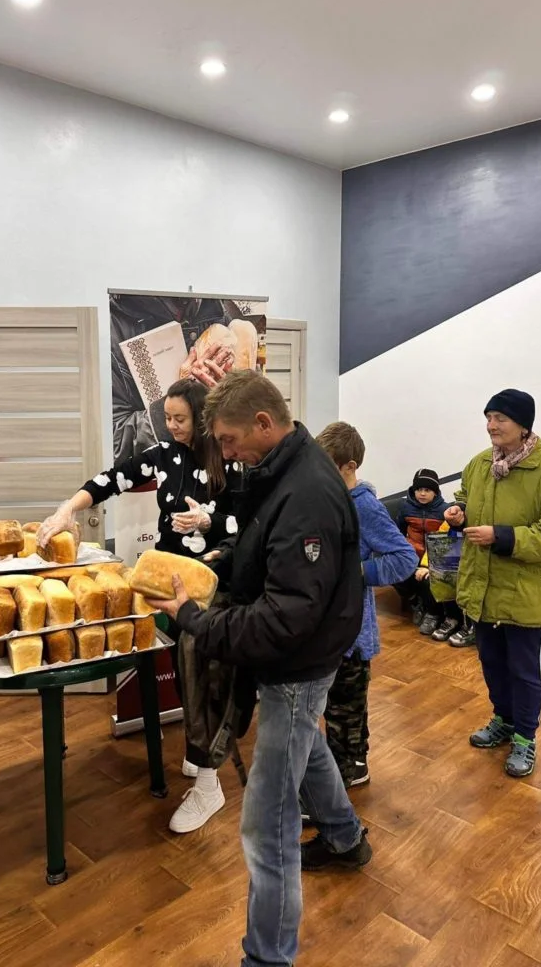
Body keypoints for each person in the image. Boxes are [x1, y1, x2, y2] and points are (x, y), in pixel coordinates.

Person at [150, 371, 371, 967]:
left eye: (225, 440)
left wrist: (197, 621)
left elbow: (283, 620)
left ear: (264, 425)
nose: (222, 453)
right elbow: (267, 551)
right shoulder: (280, 471)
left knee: (266, 825)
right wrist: (228, 558)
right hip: (302, 659)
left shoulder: (306, 494)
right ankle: (346, 838)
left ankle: (267, 958)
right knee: (306, 745)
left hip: (298, 665)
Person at [38, 377, 243, 832]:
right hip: (168, 579)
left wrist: (211, 520)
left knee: (202, 674)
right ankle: (199, 755)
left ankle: (209, 783)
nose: (171, 427)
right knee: (184, 668)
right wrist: (68, 509)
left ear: (202, 417)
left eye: (180, 419)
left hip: (212, 583)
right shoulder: (165, 455)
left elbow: (249, 521)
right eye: (166, 418)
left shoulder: (230, 458)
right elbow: (113, 479)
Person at [444, 389, 541, 778]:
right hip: (485, 590)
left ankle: (525, 739)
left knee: (524, 670)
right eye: (488, 417)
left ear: (523, 426)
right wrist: (458, 512)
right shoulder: (480, 464)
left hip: (527, 595)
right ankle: (503, 720)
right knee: (492, 663)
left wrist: (501, 537)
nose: (491, 425)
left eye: (500, 418)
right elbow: (468, 499)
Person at [315, 422, 417, 787]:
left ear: (350, 466)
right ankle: (349, 765)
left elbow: (404, 559)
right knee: (338, 708)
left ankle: (347, 775)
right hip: (331, 630)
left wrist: (356, 572)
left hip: (354, 635)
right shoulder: (330, 499)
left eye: (329, 466)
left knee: (346, 710)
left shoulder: (366, 508)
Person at [109, 293, 255, 463]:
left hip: (215, 473)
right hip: (158, 480)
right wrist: (182, 402)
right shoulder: (111, 325)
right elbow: (114, 446)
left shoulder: (221, 312)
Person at [394, 468, 452, 636]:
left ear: (435, 492)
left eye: (427, 490)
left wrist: (429, 563)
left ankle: (432, 613)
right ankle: (415, 602)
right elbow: (398, 532)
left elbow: (447, 541)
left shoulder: (445, 510)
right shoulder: (406, 508)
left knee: (428, 580)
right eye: (419, 489)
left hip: (434, 558)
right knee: (392, 570)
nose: (422, 493)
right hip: (411, 555)